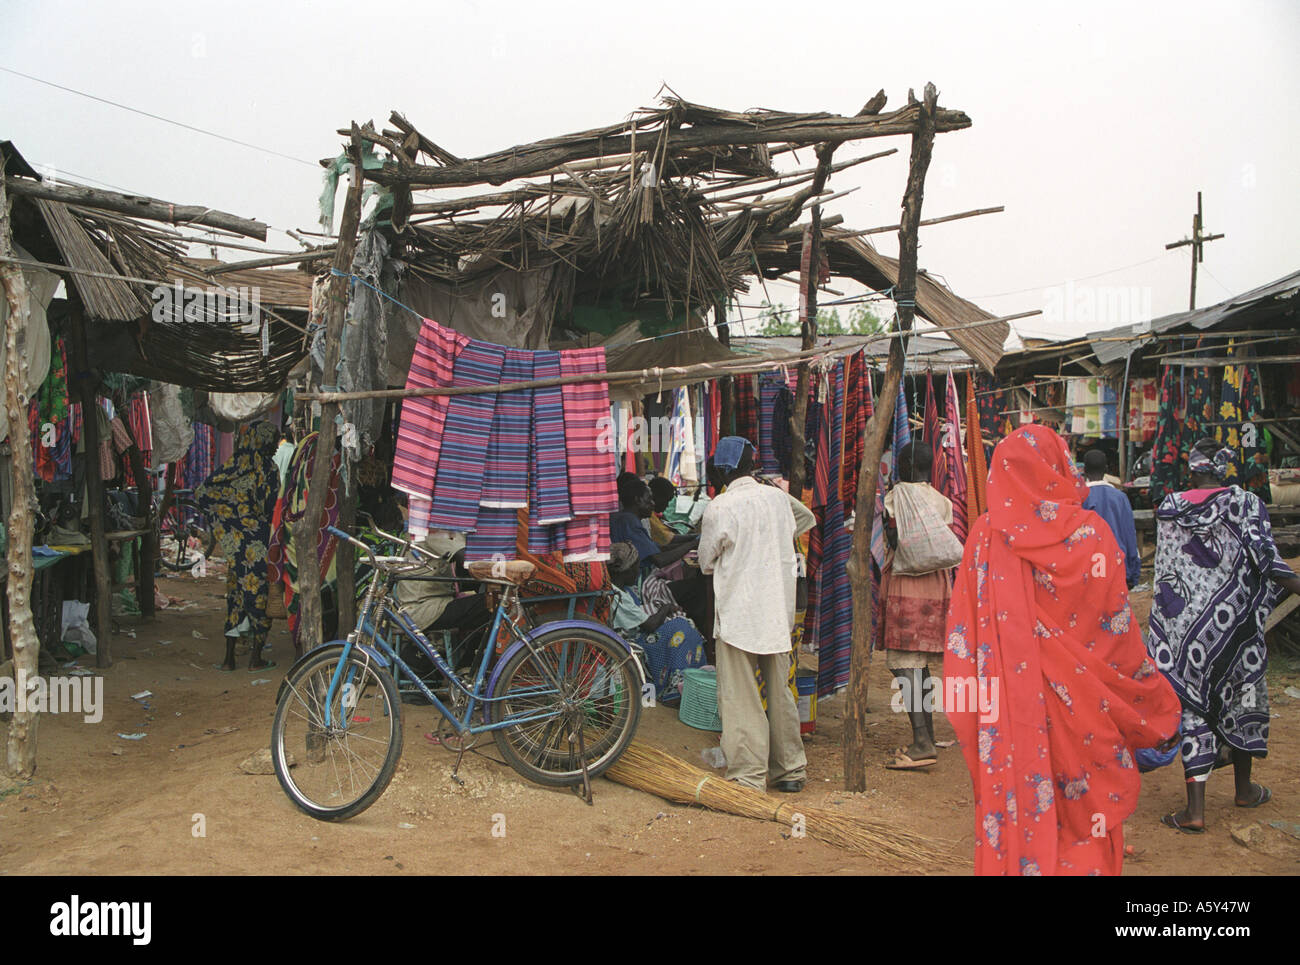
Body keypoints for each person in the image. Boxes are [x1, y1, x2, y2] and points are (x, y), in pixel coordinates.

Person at [945, 426, 1181, 875]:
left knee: (1021, 797)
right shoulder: (1092, 536)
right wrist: (1142, 697)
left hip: (1010, 714)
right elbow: (1117, 638)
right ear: (1058, 466)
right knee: (1085, 820)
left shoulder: (984, 539)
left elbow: (965, 639)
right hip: (1085, 713)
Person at [1150, 439, 1300, 834]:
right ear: (1226, 468)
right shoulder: (1245, 503)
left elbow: (1166, 572)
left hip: (1183, 631)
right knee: (1241, 692)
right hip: (1233, 624)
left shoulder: (1169, 508)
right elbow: (1265, 556)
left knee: (1193, 707)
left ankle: (1194, 811)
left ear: (1192, 466)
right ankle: (1244, 789)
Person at [698, 436, 808, 792]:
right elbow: (805, 518)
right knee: (780, 693)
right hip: (777, 610)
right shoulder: (776, 498)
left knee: (742, 697)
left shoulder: (721, 506)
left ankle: (749, 775)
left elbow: (705, 562)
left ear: (721, 470)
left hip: (738, 615)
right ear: (752, 465)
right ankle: (790, 770)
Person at [879, 442, 957, 770]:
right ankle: (924, 735)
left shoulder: (897, 498)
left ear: (906, 464)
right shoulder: (942, 502)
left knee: (905, 664)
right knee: (919, 665)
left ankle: (923, 742)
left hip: (907, 586)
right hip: (937, 588)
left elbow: (895, 539)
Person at [195, 421, 282, 672]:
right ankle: (255, 658)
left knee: (235, 597)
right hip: (258, 544)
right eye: (274, 441)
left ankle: (228, 659)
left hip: (236, 547)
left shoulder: (236, 465)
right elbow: (268, 507)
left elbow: (204, 492)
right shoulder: (267, 469)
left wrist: (229, 526)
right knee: (259, 598)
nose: (277, 446)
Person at [1081, 449, 1140, 589]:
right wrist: (1132, 574)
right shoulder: (1120, 498)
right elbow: (1129, 534)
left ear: (1084, 470)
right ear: (1106, 469)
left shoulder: (1079, 498)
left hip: (1087, 569)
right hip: (1117, 566)